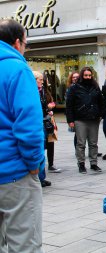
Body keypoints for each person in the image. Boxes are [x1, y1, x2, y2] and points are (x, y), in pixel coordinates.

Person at [0, 19, 45, 253]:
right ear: (18, 43)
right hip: (13, 172)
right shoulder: (17, 69)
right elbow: (29, 125)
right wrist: (34, 164)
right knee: (24, 244)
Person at [66, 67, 103, 174]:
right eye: (85, 75)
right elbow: (69, 105)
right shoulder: (74, 88)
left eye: (89, 75)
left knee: (93, 143)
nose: (88, 77)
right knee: (81, 143)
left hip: (93, 118)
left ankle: (93, 163)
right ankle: (81, 164)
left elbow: (101, 101)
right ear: (82, 76)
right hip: (80, 118)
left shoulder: (95, 86)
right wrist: (70, 120)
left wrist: (100, 114)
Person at [34, 71, 61, 177]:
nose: (42, 82)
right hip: (39, 121)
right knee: (42, 144)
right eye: (39, 80)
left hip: (48, 120)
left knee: (51, 141)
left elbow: (51, 101)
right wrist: (47, 108)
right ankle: (41, 170)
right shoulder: (32, 91)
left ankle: (51, 164)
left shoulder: (45, 90)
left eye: (42, 79)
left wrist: (51, 106)